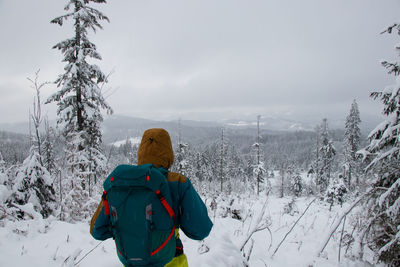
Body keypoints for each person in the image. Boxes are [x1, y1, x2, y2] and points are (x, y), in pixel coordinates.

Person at [90, 128, 213, 267]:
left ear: (141, 152)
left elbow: (97, 231)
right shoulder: (178, 183)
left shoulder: (120, 183)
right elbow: (201, 230)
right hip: (170, 260)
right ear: (168, 153)